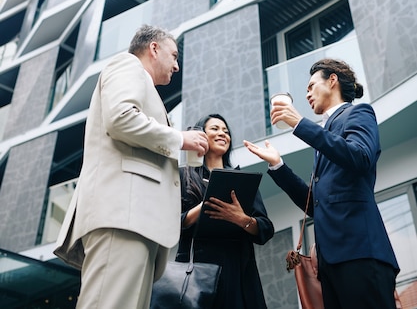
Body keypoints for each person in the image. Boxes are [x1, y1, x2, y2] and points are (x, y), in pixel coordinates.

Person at [54, 24, 209, 309]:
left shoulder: (143, 83)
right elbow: (121, 118)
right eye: (174, 56)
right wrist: (179, 139)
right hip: (123, 217)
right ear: (153, 48)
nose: (176, 66)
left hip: (135, 220)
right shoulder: (128, 66)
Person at [244, 58, 400, 309]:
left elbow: (361, 157)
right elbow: (316, 206)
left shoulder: (358, 112)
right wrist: (278, 166)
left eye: (310, 86)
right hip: (329, 265)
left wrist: (300, 125)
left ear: (332, 80)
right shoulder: (325, 135)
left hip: (360, 255)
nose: (306, 94)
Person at [176, 113, 274, 308]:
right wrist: (206, 206)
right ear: (200, 135)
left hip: (237, 271)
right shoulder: (183, 176)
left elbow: (266, 229)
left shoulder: (241, 180)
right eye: (215, 129)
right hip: (197, 270)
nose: (223, 134)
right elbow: (172, 223)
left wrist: (242, 219)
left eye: (226, 131)